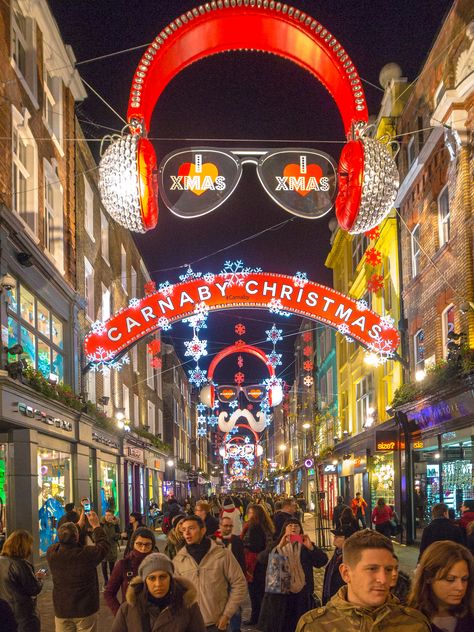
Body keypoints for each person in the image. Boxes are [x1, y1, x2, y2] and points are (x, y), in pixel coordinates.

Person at [296, 529, 430, 632]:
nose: (383, 579)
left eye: (388, 570)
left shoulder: (414, 624)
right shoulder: (315, 627)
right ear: (346, 573)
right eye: (372, 569)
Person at [173, 515, 247, 631]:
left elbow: (239, 583)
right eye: (184, 529)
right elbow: (176, 593)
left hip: (216, 624)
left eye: (191, 528)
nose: (187, 533)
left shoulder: (222, 554)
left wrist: (227, 615)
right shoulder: (179, 560)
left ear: (203, 530)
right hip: (190, 624)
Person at [258, 518, 328, 632]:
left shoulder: (306, 545)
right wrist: (279, 546)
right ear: (284, 529)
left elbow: (322, 561)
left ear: (300, 530)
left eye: (296, 526)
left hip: (303, 594)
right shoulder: (277, 544)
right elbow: (262, 559)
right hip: (282, 595)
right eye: (290, 525)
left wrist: (311, 547)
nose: (293, 527)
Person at [47, 509, 110, 632]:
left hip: (62, 608)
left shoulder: (52, 553)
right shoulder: (86, 554)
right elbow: (103, 546)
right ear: (76, 537)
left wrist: (78, 525)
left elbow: (65, 538)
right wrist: (96, 526)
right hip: (85, 608)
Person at [111, 552, 206, 632]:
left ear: (171, 578)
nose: (158, 584)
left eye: (163, 577)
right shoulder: (128, 609)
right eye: (152, 578)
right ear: (145, 581)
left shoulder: (188, 606)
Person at [408, 540, 474, 632]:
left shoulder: (470, 614)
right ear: (428, 577)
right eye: (450, 579)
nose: (460, 587)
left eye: (464, 579)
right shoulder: (408, 618)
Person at [104, 527, 157, 616]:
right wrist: (120, 614)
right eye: (139, 544)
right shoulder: (123, 565)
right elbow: (109, 593)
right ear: (133, 544)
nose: (143, 548)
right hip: (131, 616)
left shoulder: (158, 563)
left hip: (155, 615)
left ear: (152, 545)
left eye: (147, 544)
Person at [0, 529, 44, 631]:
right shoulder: (21, 565)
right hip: (22, 616)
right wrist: (39, 579)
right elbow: (33, 589)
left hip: (5, 613)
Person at [241, 503, 275, 625]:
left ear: (255, 515)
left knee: (255, 593)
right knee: (260, 592)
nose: (248, 515)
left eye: (250, 513)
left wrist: (244, 546)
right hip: (263, 563)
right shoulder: (266, 525)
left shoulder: (254, 527)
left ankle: (257, 618)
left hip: (255, 564)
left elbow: (256, 545)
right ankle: (260, 617)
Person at [217, 515, 246, 632]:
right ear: (220, 526)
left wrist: (242, 576)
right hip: (218, 579)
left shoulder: (237, 540)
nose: (228, 528)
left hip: (233, 579)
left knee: (235, 607)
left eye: (230, 526)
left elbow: (241, 560)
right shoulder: (213, 540)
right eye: (225, 526)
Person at [322, 526, 349, 605]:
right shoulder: (337, 553)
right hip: (330, 597)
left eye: (339, 536)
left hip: (340, 600)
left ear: (347, 540)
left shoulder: (348, 557)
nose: (335, 538)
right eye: (335, 536)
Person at [101, 510, 121, 585]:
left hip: (112, 546)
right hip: (103, 546)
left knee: (112, 564)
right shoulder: (102, 524)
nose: (107, 517)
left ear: (113, 516)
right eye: (106, 515)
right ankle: (106, 581)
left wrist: (116, 536)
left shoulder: (115, 525)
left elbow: (118, 534)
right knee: (103, 564)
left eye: (109, 515)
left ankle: (112, 580)